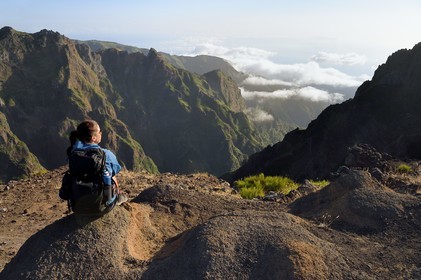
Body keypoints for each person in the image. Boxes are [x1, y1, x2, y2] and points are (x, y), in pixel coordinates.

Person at [67, 120, 128, 211]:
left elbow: (62, 194)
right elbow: (116, 169)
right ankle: (112, 197)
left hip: (78, 206)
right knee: (112, 174)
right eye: (99, 131)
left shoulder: (73, 153)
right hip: (101, 207)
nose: (101, 133)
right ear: (93, 138)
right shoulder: (106, 154)